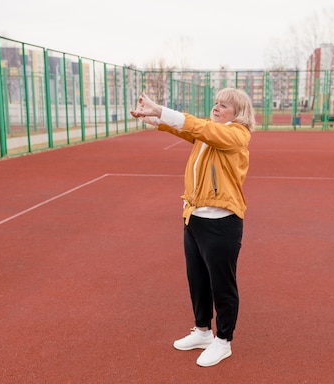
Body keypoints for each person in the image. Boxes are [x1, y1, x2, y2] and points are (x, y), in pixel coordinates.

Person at [131, 88, 255, 367]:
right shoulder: (210, 133)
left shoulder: (236, 135)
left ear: (239, 114)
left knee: (222, 285)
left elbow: (197, 127)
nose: (216, 108)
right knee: (197, 280)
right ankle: (202, 332)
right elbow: (188, 131)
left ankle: (223, 341)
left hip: (222, 222)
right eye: (216, 103)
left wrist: (161, 109)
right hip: (194, 217)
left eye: (224, 105)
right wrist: (156, 119)